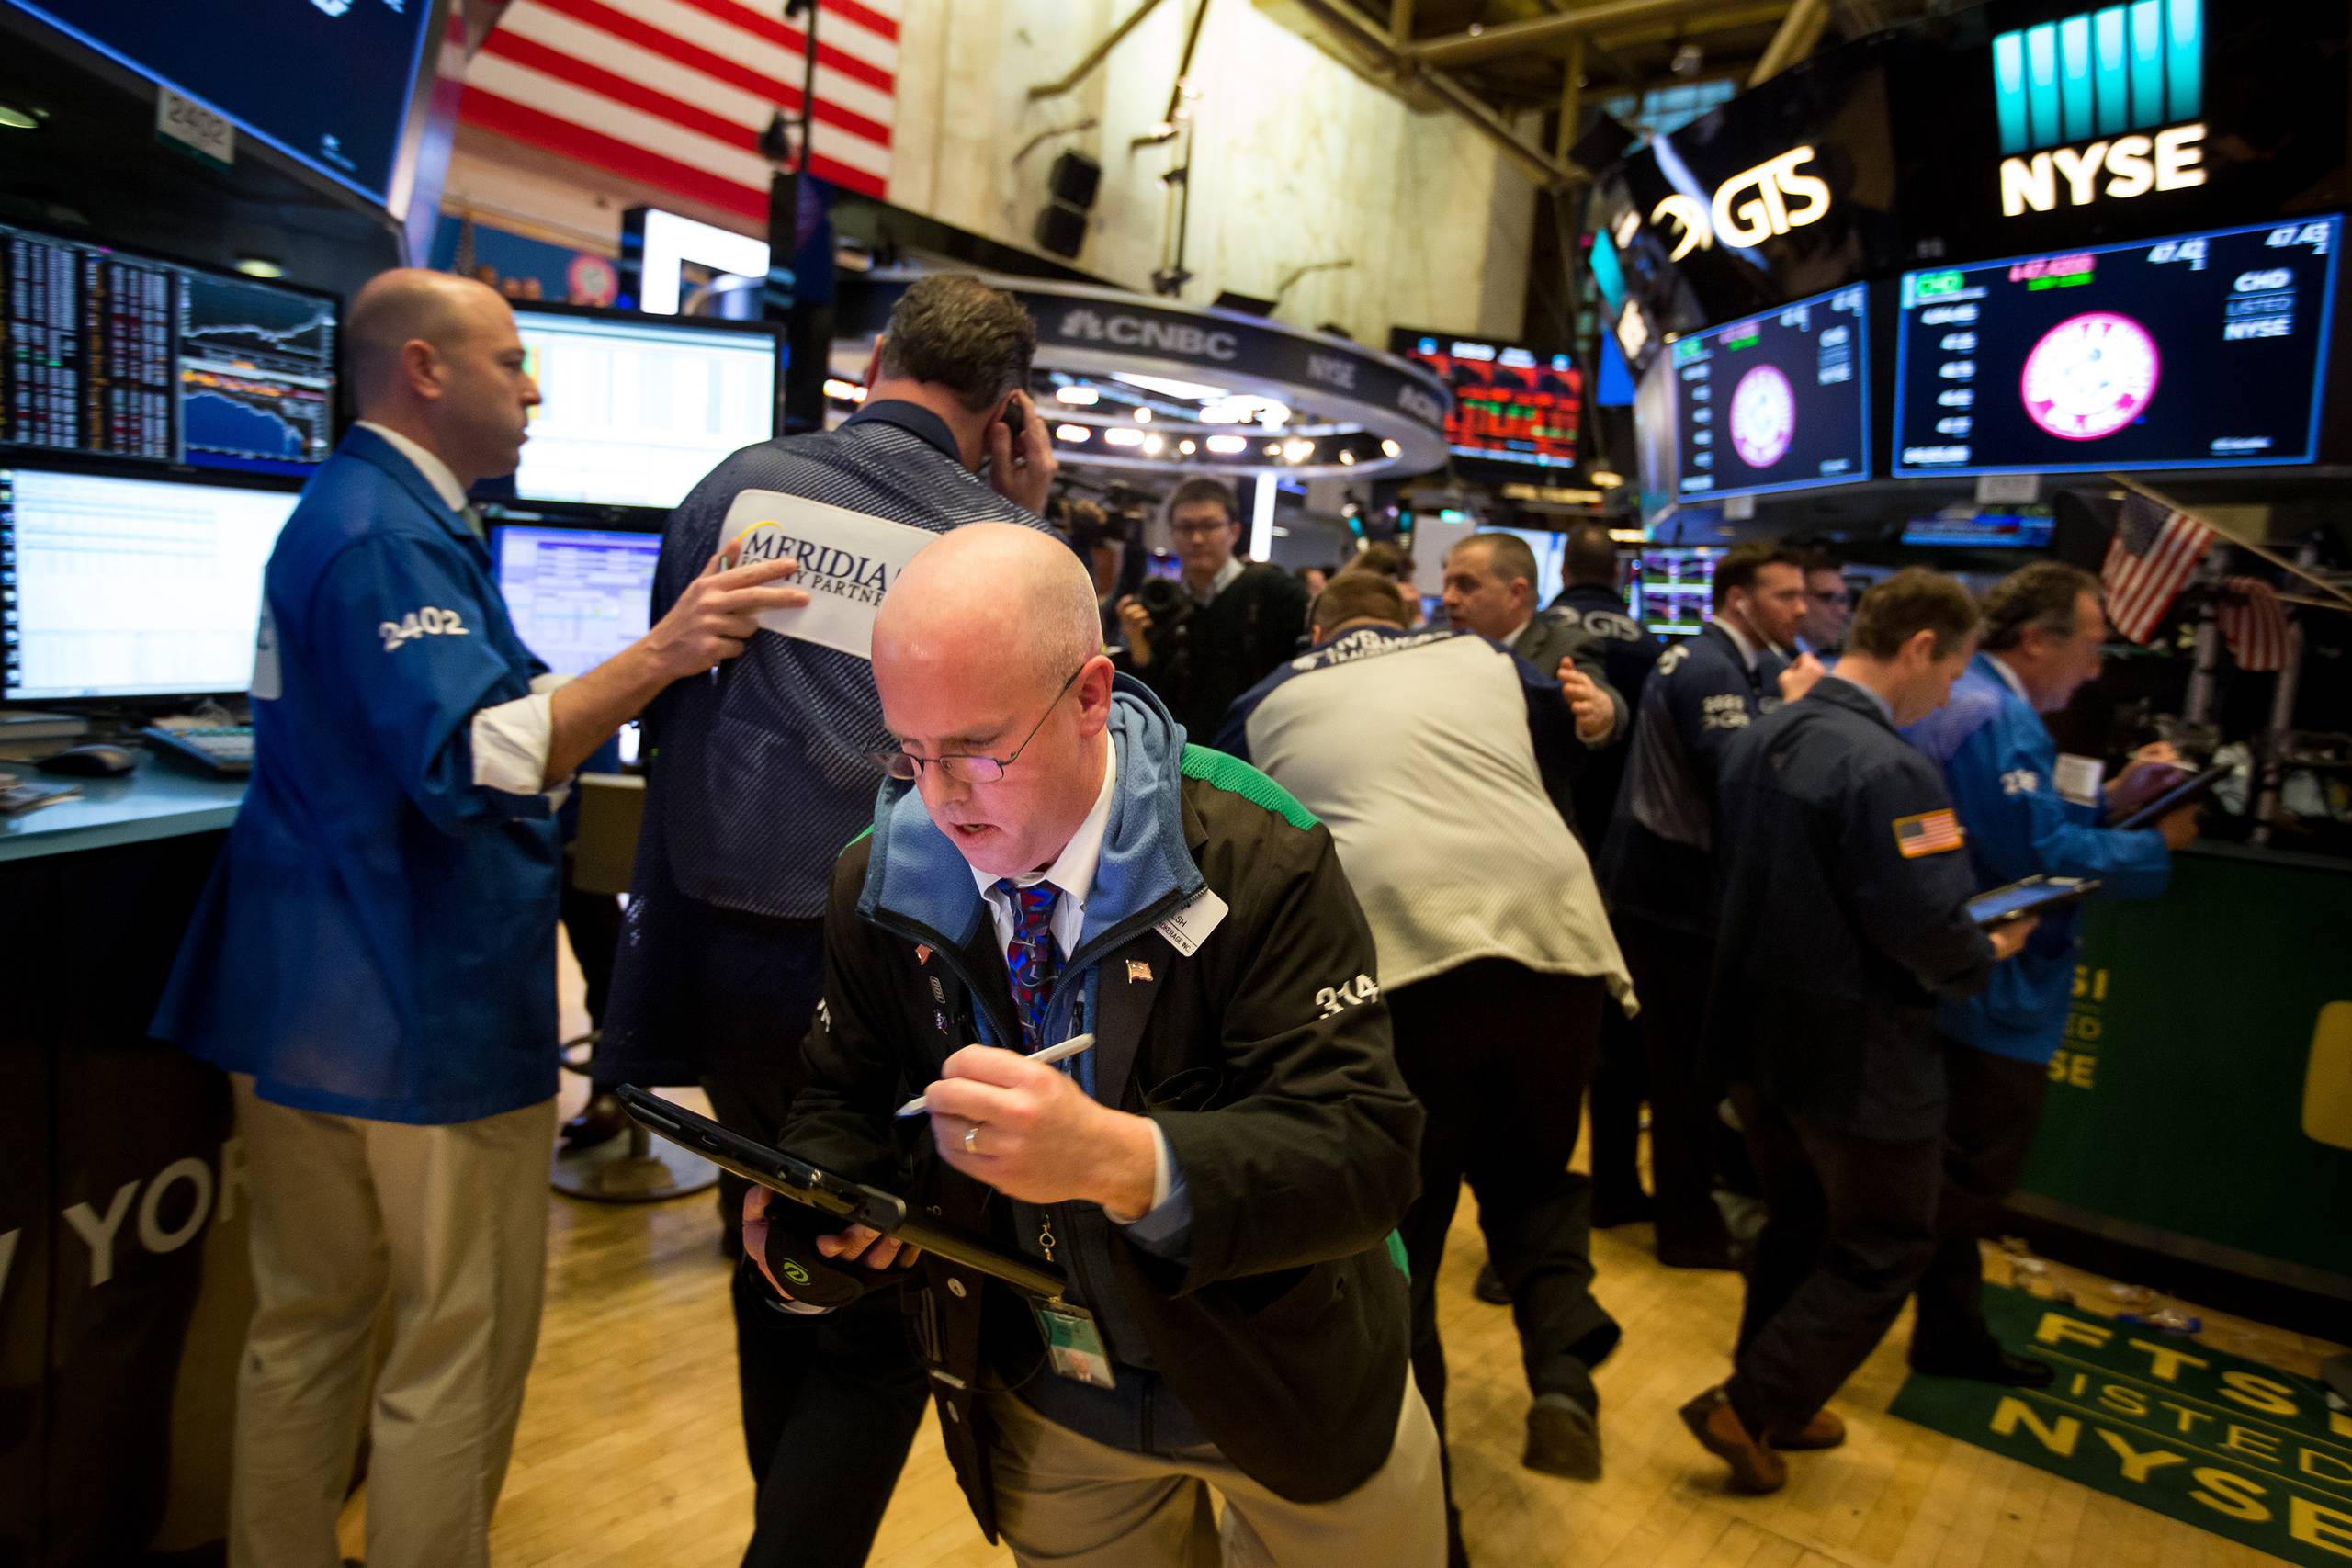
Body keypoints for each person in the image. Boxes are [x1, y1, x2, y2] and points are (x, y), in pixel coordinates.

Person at [149, 269, 808, 1568]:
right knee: (456, 1340)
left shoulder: (353, 512)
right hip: (417, 1009)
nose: (538, 387)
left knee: (308, 1320)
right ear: (424, 372)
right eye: (512, 360)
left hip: (307, 1006)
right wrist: (664, 652)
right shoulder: (390, 536)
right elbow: (475, 752)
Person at [763, 524, 1444, 1567]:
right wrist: (823, 1195)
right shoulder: (880, 877)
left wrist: (1121, 1161)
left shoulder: (1251, 846)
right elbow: (846, 1092)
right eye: (909, 752)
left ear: (1090, 695)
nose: (938, 800)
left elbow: (1364, 1151)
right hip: (1047, 1392)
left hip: (1283, 1376)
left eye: (980, 752)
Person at [593, 275, 1057, 1568]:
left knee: (777, 1260)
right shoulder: (1001, 548)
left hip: (725, 963)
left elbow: (667, 704)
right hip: (890, 980)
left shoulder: (736, 485)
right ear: (1005, 410)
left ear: (875, 363)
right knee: (877, 1313)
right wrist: (1025, 519)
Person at [1216, 570, 1633, 1557]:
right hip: (1556, 936)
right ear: (1410, 620)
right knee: (1534, 1172)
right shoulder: (1483, 657)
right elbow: (1575, 721)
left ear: (1316, 630)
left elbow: (1224, 830)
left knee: (1395, 1244)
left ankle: (1430, 1526)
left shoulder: (1264, 697)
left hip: (1400, 959)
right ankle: (1563, 1357)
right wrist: (1606, 711)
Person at [1680, 568, 2035, 1495]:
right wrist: (1983, 949)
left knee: (1795, 1226)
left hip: (1759, 1043)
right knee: (1887, 1239)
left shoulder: (1760, 736)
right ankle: (1751, 1403)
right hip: (1857, 1050)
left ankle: (1775, 1406)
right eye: (1953, 672)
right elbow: (1921, 923)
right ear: (1920, 647)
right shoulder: (1893, 769)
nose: (1951, 693)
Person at [1900, 562, 2197, 1386]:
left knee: (1955, 1177)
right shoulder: (1996, 716)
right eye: (2093, 646)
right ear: (2037, 639)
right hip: (1992, 987)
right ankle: (1822, 1317)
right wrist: (2150, 844)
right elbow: (2036, 860)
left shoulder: (1979, 706)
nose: (2097, 669)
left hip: (1968, 972)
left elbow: (2018, 829)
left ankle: (1949, 1334)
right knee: (1970, 1179)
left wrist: (2111, 801)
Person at [1598, 540, 1818, 1268]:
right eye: (1785, 595)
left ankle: (1616, 1194)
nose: (1801, 609)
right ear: (1738, 599)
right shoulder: (1712, 666)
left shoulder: (1718, 660)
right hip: (1672, 900)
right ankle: (1688, 1231)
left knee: (1633, 1061)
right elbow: (1736, 773)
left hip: (1652, 891)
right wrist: (1796, 714)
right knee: (1683, 1075)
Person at [1549, 523, 1666, 1228]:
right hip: (1621, 859)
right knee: (1619, 1032)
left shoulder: (1537, 637)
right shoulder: (1654, 647)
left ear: (1564, 566)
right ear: (1619, 572)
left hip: (1543, 850)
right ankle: (1618, 1186)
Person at [1438, 531, 1625, 829]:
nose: (1448, 598)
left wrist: (1603, 710)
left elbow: (1597, 691)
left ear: (1516, 593)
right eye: (1446, 582)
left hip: (1528, 834)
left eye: (1465, 585)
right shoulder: (1436, 644)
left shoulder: (1564, 647)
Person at [1115, 478, 1310, 740]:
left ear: (1235, 531)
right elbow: (1156, 700)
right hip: (1188, 756)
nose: (1196, 539)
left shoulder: (1273, 591)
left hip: (1257, 752)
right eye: (1185, 527)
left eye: (1209, 526)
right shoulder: (1166, 605)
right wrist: (1139, 648)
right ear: (1173, 533)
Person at [1793, 545, 1852, 659]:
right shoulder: (1772, 664)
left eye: (1843, 599)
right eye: (1828, 598)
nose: (1841, 612)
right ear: (1799, 599)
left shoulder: (1815, 658)